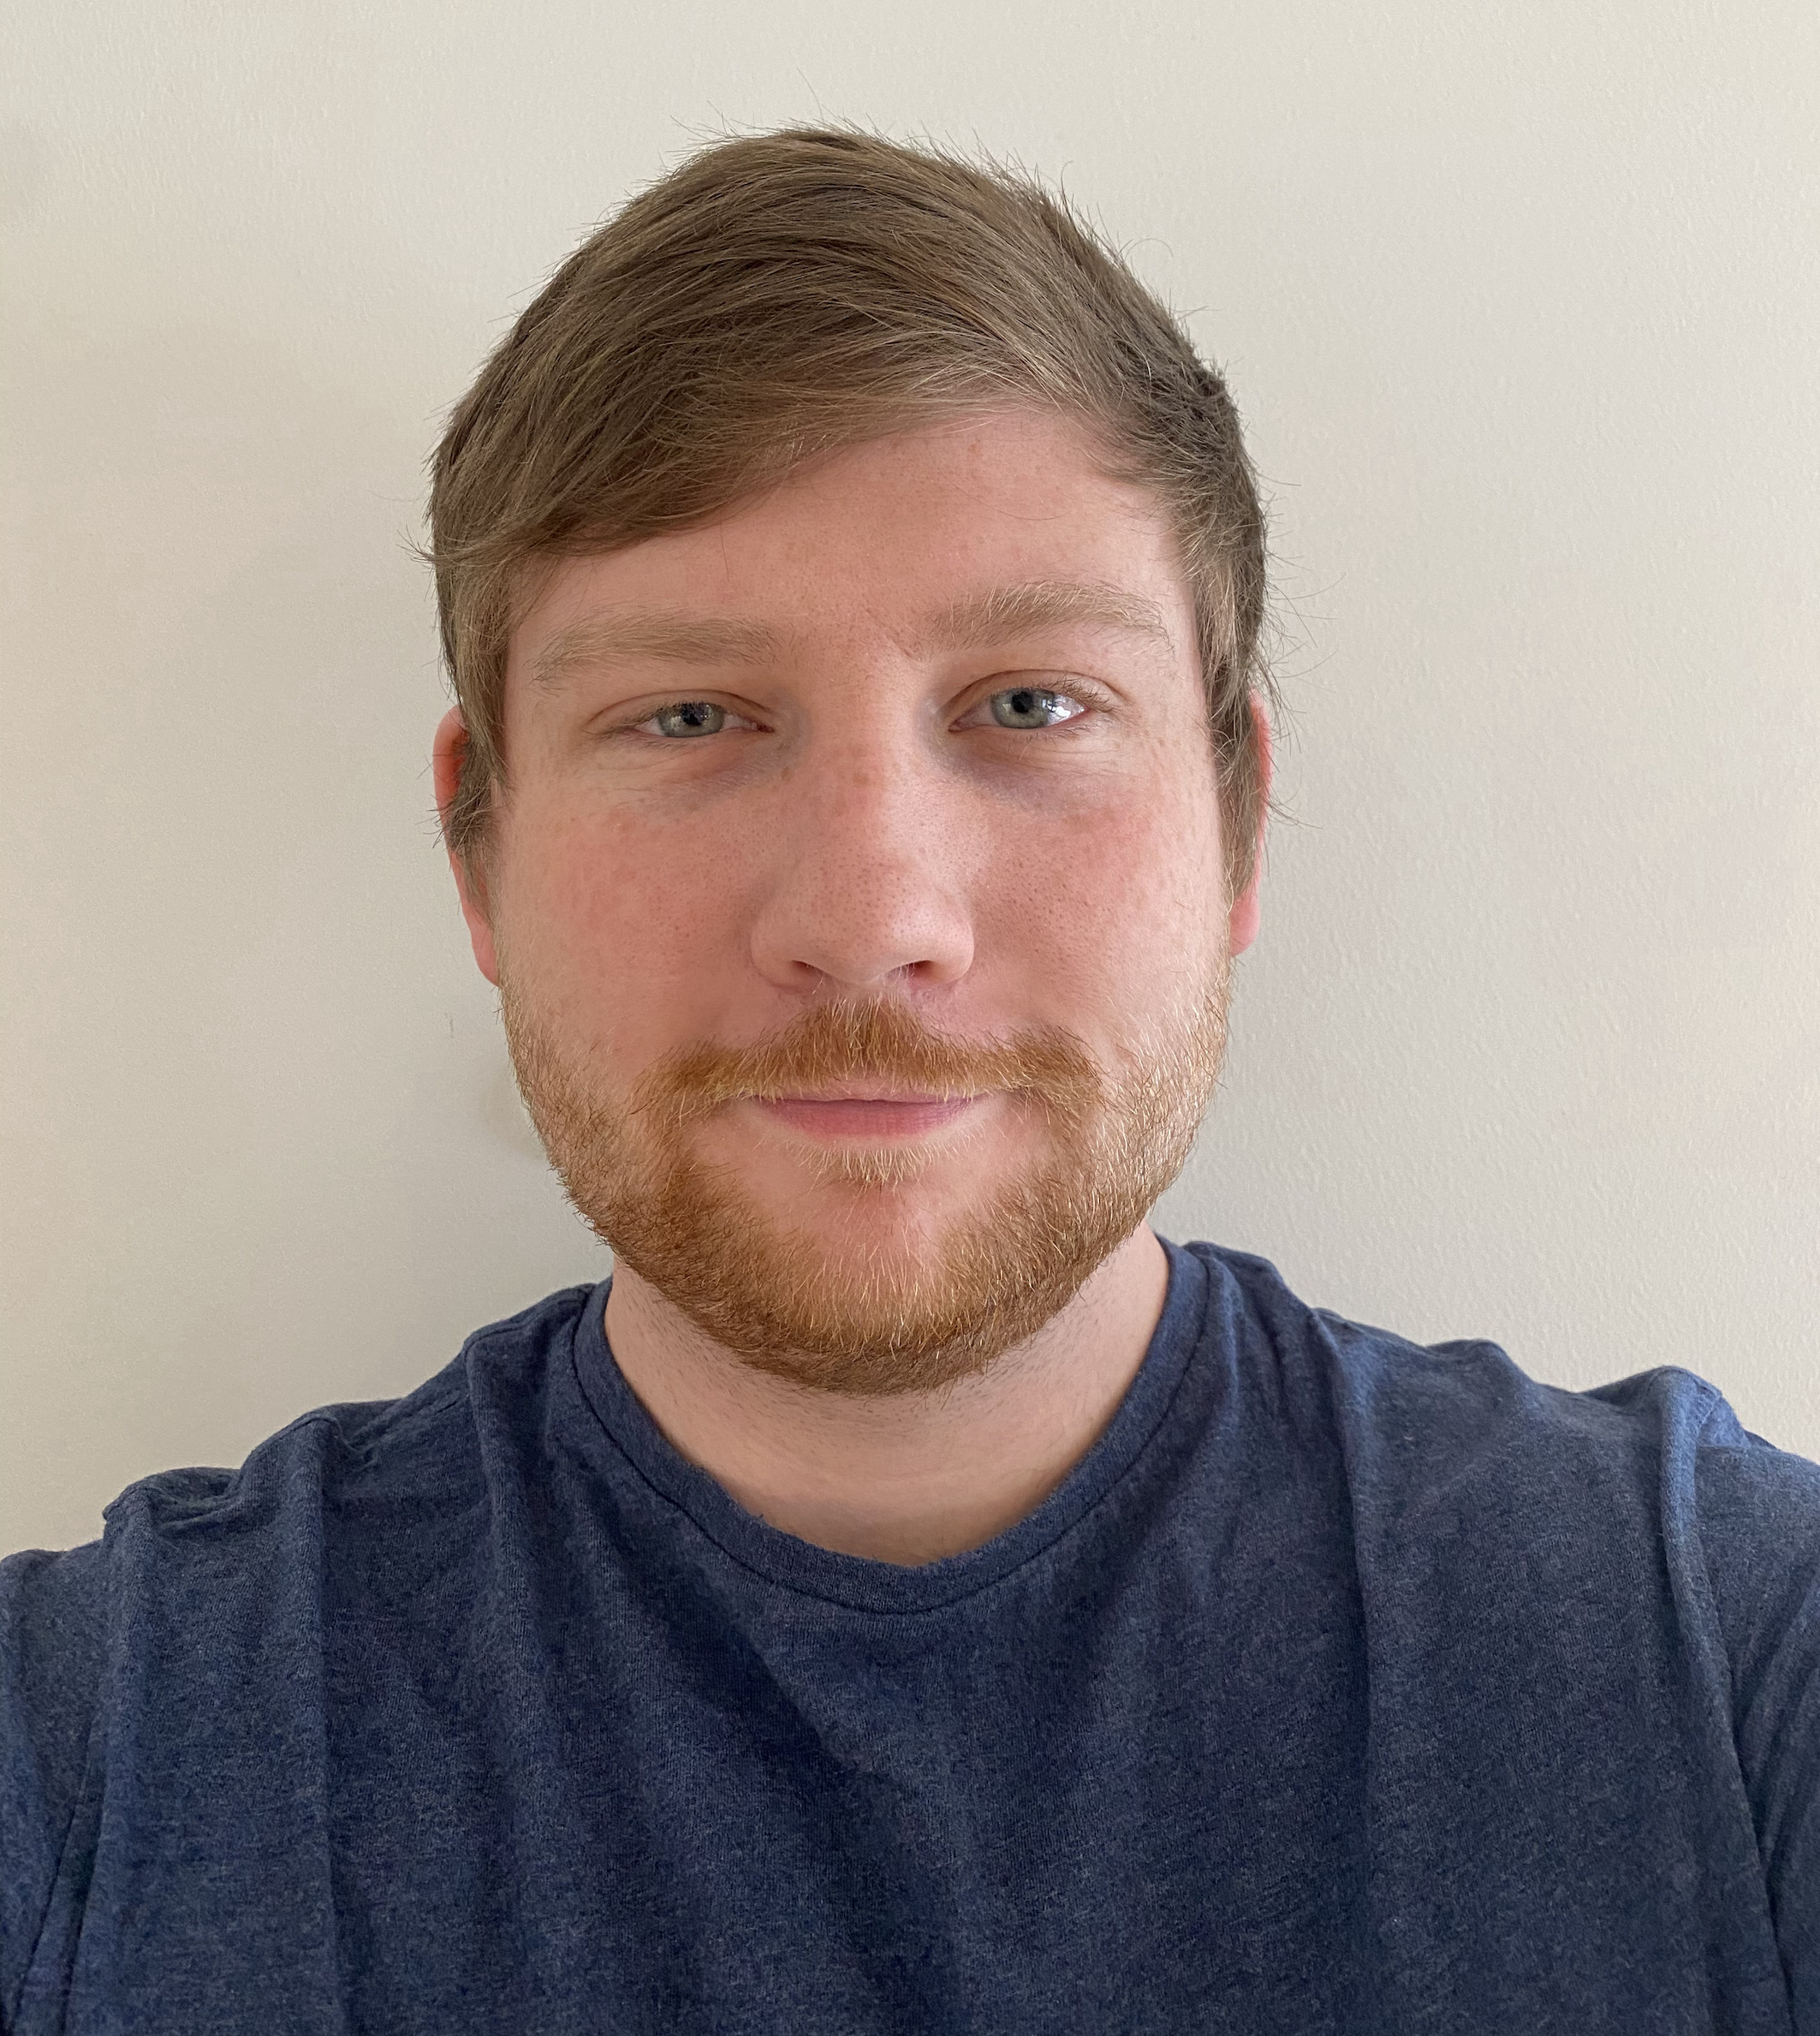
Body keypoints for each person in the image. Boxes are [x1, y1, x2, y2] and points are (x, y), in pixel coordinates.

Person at [3, 129, 1815, 2036]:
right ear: (479, 854)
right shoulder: (88, 1759)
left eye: (1030, 703)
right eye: (687, 715)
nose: (872, 919)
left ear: (1237, 822)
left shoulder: (1727, 1663)